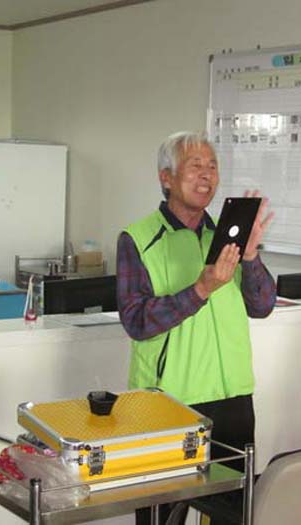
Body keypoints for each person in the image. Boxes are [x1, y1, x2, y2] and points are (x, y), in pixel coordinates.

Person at [116, 131, 276, 525]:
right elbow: (137, 321)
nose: (207, 175)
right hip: (166, 402)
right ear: (166, 177)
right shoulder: (137, 239)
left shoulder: (227, 237)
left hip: (232, 398)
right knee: (161, 515)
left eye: (212, 166)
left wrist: (250, 256)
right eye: (195, 166)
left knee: (231, 513)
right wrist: (201, 289)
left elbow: (262, 305)